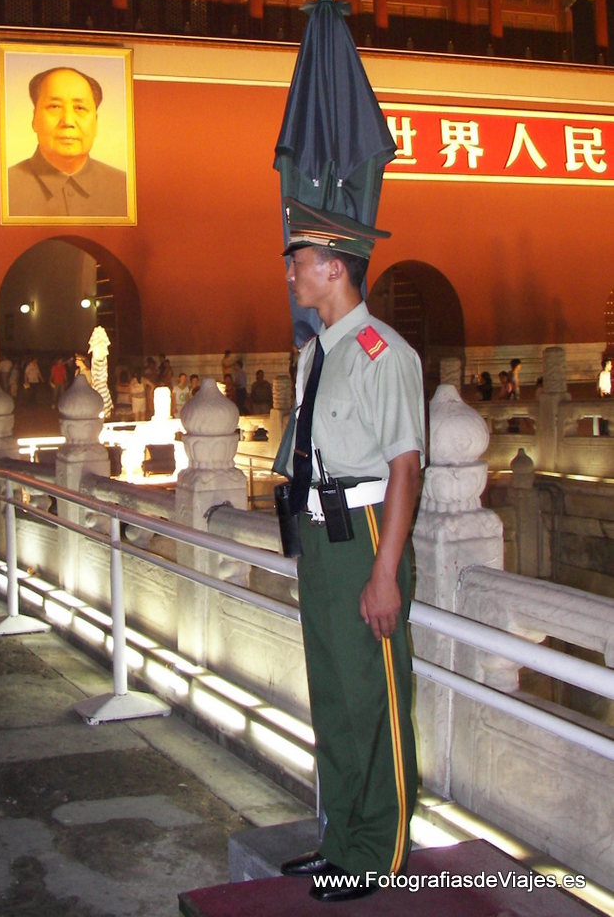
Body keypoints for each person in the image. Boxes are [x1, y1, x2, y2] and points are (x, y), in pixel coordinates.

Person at [273, 201, 425, 903]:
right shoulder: (315, 352)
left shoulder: (383, 354)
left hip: (367, 538)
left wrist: (385, 572)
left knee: (377, 702)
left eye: (298, 262)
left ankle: (377, 851)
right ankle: (339, 841)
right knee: (333, 697)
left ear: (335, 268)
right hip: (322, 537)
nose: (291, 273)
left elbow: (404, 468)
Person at [7, 66, 128, 218]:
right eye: (55, 106)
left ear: (96, 122)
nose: (68, 121)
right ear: (34, 119)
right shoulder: (6, 186)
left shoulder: (125, 187)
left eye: (80, 108)